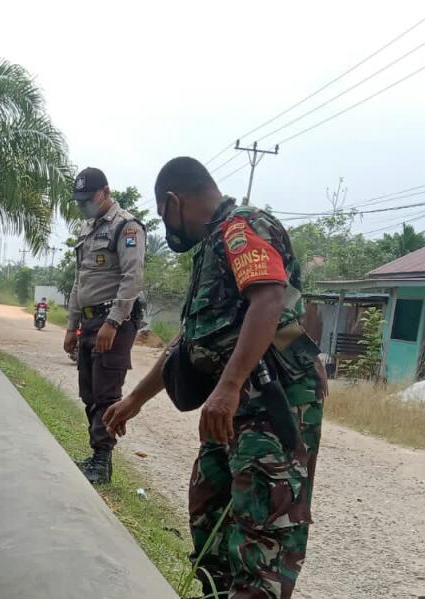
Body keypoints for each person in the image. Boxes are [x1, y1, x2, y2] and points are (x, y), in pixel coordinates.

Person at [103, 157, 326, 598]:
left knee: (262, 529)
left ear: (172, 202)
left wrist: (228, 386)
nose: (167, 226)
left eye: (163, 214)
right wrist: (136, 400)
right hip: (233, 407)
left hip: (272, 398)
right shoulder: (211, 248)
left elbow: (269, 298)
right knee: (209, 514)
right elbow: (188, 344)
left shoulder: (241, 229)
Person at [62, 167, 145, 484]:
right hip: (89, 318)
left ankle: (102, 459)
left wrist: (113, 322)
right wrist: (72, 325)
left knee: (107, 393)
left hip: (113, 320)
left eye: (89, 199)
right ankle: (97, 457)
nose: (84, 205)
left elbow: (132, 278)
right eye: (79, 201)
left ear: (106, 192)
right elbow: (79, 280)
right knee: (90, 391)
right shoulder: (88, 228)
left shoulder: (126, 227)